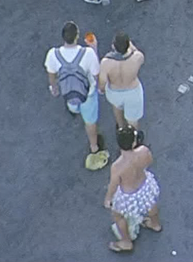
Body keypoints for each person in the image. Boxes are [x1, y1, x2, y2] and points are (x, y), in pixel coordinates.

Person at [45, 21, 109, 169]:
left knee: (73, 103)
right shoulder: (87, 54)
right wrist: (94, 49)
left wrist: (53, 87)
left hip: (68, 91)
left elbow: (51, 73)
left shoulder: (53, 54)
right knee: (90, 121)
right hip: (87, 94)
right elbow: (96, 73)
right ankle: (94, 146)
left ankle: (74, 109)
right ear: (77, 36)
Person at [104, 125, 161, 253]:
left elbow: (113, 185)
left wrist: (108, 199)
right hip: (144, 185)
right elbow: (149, 161)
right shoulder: (144, 151)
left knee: (117, 216)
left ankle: (126, 242)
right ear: (134, 141)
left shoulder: (117, 166)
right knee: (151, 204)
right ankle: (155, 224)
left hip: (127, 195)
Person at [100, 32, 145, 129]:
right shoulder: (137, 57)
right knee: (133, 119)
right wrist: (132, 48)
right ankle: (133, 137)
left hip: (114, 92)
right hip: (133, 92)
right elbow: (141, 59)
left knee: (116, 108)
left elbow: (102, 82)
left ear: (113, 46)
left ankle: (121, 127)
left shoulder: (106, 63)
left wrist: (102, 90)